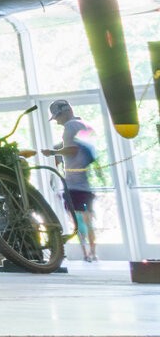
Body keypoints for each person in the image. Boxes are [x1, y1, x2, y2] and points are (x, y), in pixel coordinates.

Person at [42, 99, 100, 262]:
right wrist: (60, 148)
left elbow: (72, 150)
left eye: (57, 118)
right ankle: (93, 253)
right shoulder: (84, 125)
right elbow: (83, 150)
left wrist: (52, 152)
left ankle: (86, 254)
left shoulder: (69, 126)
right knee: (88, 220)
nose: (58, 122)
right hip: (85, 183)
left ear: (64, 112)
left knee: (79, 222)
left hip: (74, 184)